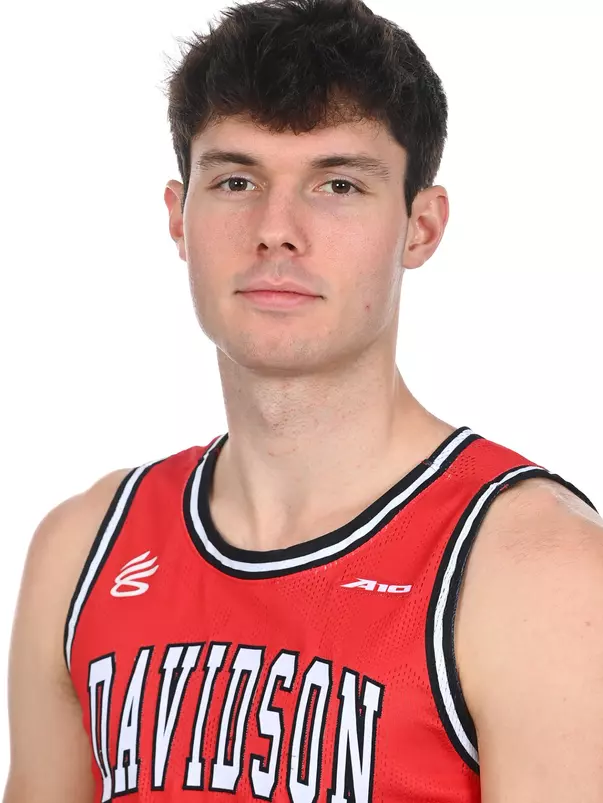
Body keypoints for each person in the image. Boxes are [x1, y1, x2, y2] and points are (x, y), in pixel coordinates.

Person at [4, 0, 603, 800]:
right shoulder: (81, 550)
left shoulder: (538, 572)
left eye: (339, 183)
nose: (275, 230)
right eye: (237, 179)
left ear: (420, 227)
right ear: (180, 217)